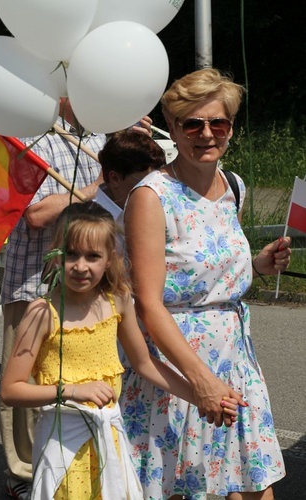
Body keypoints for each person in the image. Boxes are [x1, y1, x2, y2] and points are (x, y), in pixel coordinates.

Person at [121, 68, 290, 499]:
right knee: (176, 486)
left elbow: (206, 271)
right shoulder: (151, 197)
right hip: (177, 366)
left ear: (232, 127)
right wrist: (200, 381)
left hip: (236, 358)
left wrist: (257, 264)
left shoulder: (233, 185)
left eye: (219, 122)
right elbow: (149, 304)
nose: (206, 133)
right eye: (192, 123)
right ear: (173, 129)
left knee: (252, 483)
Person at [0, 202, 238, 498]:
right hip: (61, 440)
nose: (80, 266)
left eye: (93, 256)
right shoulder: (42, 313)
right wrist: (72, 390)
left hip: (109, 435)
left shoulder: (118, 300)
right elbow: (11, 389)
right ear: (55, 253)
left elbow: (145, 364)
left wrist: (200, 398)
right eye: (71, 253)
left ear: (110, 258)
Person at [0, 102, 108, 499]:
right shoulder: (33, 133)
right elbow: (37, 213)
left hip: (91, 288)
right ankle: (25, 476)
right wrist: (102, 186)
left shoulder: (103, 134)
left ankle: (79, 468)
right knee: (25, 385)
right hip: (35, 282)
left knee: (84, 377)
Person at [94, 129, 167, 221]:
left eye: (161, 180)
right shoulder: (90, 226)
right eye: (149, 183)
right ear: (115, 179)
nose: (160, 190)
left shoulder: (161, 210)